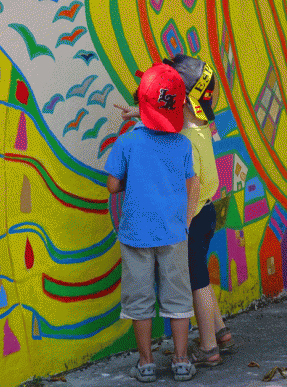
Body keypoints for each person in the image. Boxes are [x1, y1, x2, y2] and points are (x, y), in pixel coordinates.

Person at [114, 54, 235, 368]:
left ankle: (209, 348)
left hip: (191, 217)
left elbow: (191, 186)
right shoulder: (199, 123)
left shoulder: (183, 138)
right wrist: (139, 112)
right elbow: (165, 119)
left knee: (196, 281)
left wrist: (182, 223)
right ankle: (220, 332)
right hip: (207, 211)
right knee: (200, 273)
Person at [105, 63, 198, 382]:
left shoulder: (127, 143)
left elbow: (113, 186)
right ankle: (182, 361)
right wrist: (185, 220)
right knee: (178, 299)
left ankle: (146, 364)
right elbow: (191, 183)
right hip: (173, 232)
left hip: (136, 234)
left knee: (139, 300)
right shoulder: (182, 143)